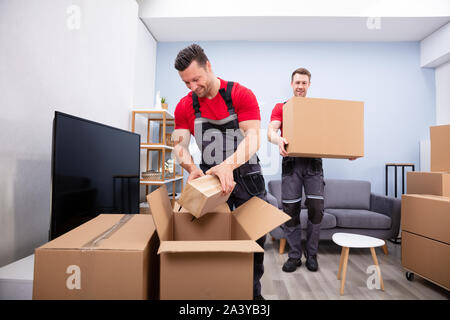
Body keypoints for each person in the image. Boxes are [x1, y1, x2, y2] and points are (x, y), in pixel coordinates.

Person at [172, 44, 267, 300]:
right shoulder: (184, 107)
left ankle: (251, 296)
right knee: (208, 240)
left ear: (209, 67)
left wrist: (228, 165)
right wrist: (191, 168)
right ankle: (213, 294)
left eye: (196, 79)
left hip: (247, 178)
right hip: (209, 181)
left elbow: (254, 138)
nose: (193, 87)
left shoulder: (240, 94)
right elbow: (178, 145)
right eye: (186, 83)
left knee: (253, 244)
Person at [267, 67, 324, 272]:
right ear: (292, 84)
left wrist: (347, 151)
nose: (300, 86)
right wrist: (278, 138)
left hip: (313, 164)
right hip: (291, 164)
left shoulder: (318, 109)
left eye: (304, 83)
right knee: (291, 211)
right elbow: (271, 131)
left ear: (309, 85)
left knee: (316, 210)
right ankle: (294, 256)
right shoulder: (281, 107)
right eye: (297, 82)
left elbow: (333, 135)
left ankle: (312, 254)